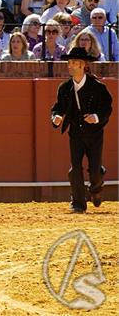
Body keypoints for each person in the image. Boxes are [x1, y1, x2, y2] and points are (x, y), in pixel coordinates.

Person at [51, 47, 113, 212]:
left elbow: (107, 108)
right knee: (75, 167)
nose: (69, 66)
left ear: (83, 65)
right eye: (69, 63)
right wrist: (56, 117)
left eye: (73, 63)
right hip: (76, 133)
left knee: (95, 169)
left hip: (94, 134)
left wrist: (96, 117)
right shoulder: (65, 88)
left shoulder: (98, 87)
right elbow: (58, 108)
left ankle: (96, 188)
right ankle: (78, 203)